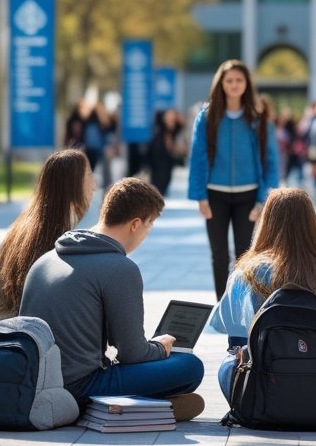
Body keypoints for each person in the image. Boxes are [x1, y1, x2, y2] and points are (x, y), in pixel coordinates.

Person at [18, 178, 205, 419]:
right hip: (79, 387)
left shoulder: (47, 259)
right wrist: (160, 347)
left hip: (33, 380)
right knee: (190, 366)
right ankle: (135, 406)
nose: (147, 234)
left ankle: (145, 403)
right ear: (136, 224)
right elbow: (133, 354)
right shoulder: (120, 268)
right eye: (150, 226)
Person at [207, 188, 316, 397]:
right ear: (312, 224)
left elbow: (223, 324)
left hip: (261, 392)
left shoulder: (246, 271)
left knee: (230, 359)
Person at [0, 149, 95, 330]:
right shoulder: (57, 238)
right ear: (73, 183)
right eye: (89, 176)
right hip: (22, 335)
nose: (94, 185)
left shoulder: (25, 226)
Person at [187, 60, 280, 299]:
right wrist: (200, 196)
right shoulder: (207, 117)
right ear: (221, 84)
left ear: (247, 83)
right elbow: (197, 157)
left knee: (245, 254)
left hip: (248, 197)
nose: (234, 85)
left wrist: (263, 200)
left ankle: (241, 303)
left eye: (239, 80)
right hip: (214, 194)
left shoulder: (258, 118)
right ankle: (222, 303)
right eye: (229, 80)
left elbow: (271, 160)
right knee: (219, 255)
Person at [148, 108, 186, 197]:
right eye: (169, 119)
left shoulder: (172, 132)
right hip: (158, 168)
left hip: (166, 167)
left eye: (173, 120)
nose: (171, 122)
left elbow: (182, 124)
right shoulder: (159, 134)